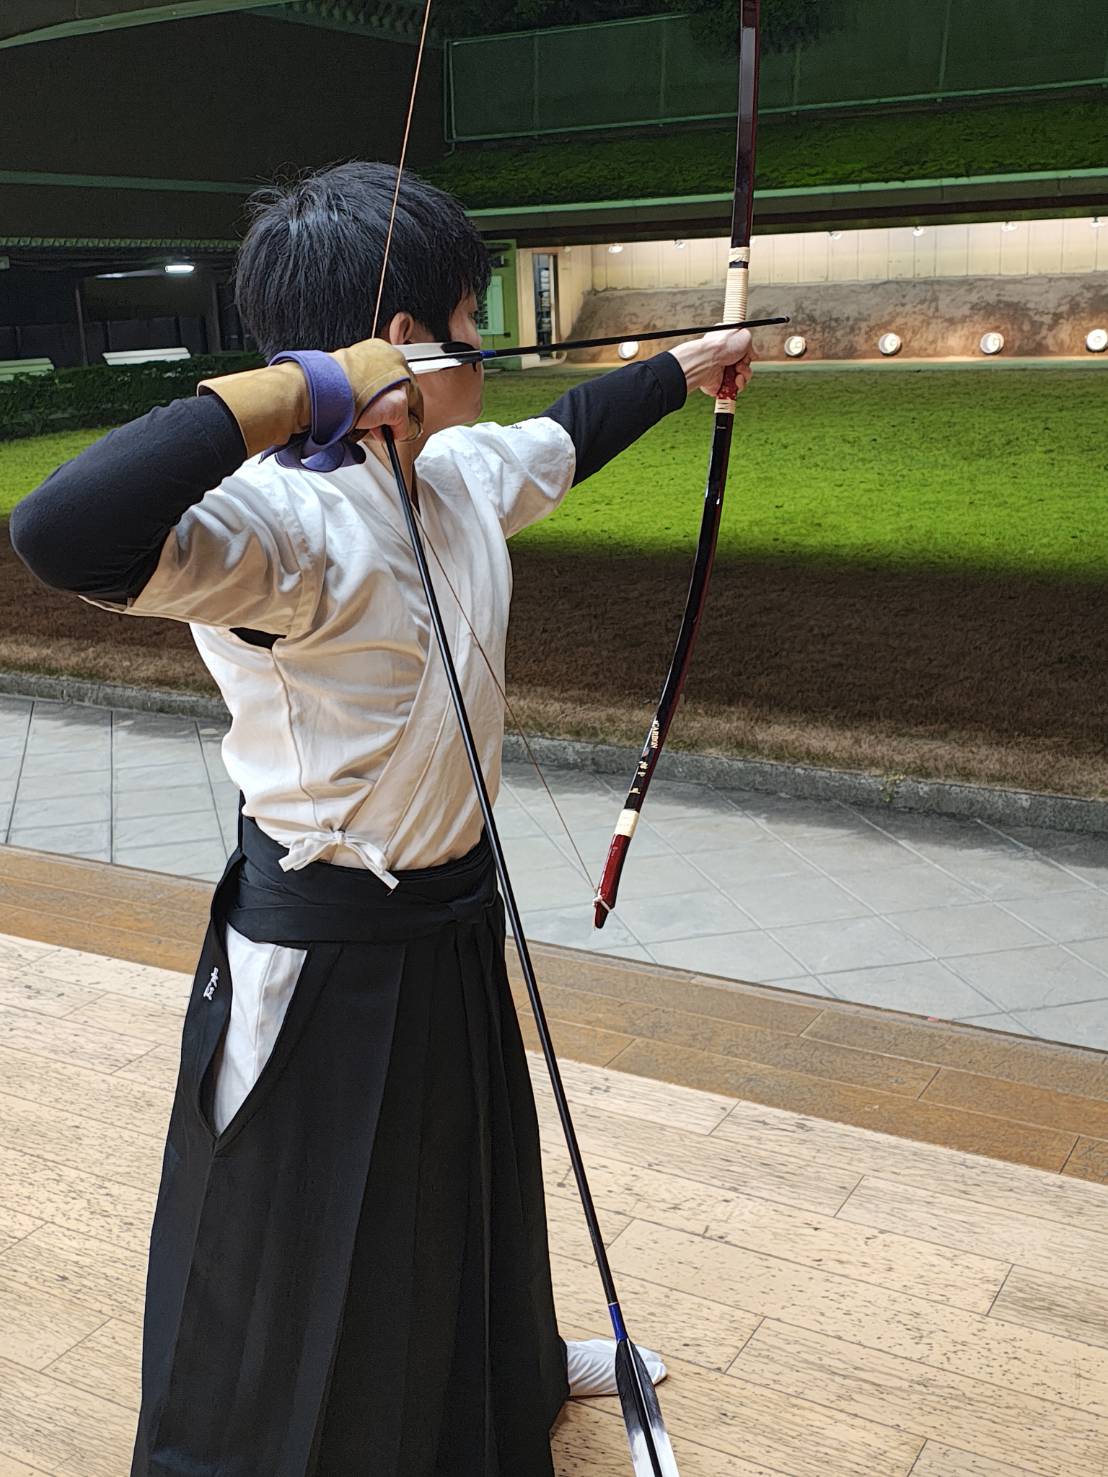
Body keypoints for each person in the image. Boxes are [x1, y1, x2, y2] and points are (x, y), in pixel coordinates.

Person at [10, 161, 753, 1477]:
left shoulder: (456, 472)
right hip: (323, 952)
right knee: (298, 1239)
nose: (484, 341)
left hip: (452, 917)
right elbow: (60, 531)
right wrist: (301, 391)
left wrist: (688, 366)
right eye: (466, 317)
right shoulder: (281, 527)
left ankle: (514, 1376)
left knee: (473, 1177)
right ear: (400, 342)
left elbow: (571, 430)